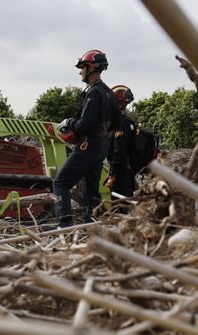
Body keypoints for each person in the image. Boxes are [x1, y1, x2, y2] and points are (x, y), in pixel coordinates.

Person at [51, 49, 119, 228]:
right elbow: (117, 123)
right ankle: (93, 224)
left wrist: (69, 122)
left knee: (60, 183)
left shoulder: (94, 93)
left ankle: (64, 224)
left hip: (88, 145)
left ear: (90, 68)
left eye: (82, 67)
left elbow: (85, 124)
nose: (80, 72)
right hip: (101, 146)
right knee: (91, 188)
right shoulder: (109, 93)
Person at [106, 84, 137, 197]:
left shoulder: (120, 124)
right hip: (127, 171)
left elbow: (119, 151)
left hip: (121, 172)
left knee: (119, 205)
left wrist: (112, 174)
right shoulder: (126, 122)